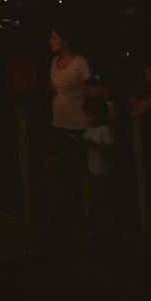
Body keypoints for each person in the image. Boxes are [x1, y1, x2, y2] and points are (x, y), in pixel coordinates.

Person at [48, 26, 93, 227]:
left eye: (54, 37)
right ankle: (61, 213)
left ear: (65, 41)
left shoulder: (80, 62)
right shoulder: (53, 63)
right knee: (56, 167)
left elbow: (92, 85)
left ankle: (87, 215)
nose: (51, 41)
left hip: (77, 124)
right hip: (58, 123)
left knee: (82, 170)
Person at [82, 86, 116, 236]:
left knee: (103, 201)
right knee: (94, 199)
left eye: (89, 115)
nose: (86, 119)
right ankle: (93, 227)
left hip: (103, 172)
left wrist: (96, 145)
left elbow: (110, 149)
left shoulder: (103, 130)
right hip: (92, 170)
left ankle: (104, 230)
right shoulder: (89, 130)